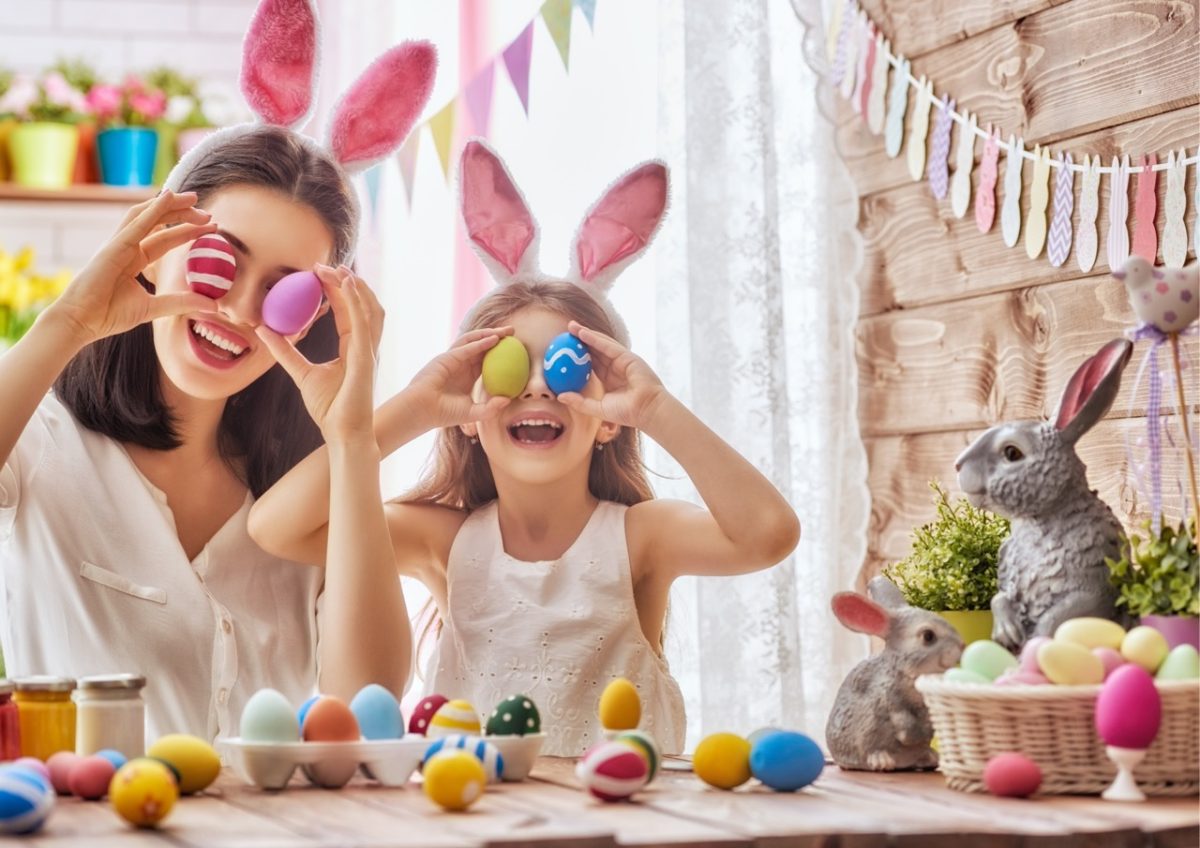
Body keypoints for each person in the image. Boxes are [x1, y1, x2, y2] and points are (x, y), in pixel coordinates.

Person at [249, 142, 801, 755]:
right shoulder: (443, 542)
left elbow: (768, 534)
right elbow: (275, 529)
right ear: (466, 412)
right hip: (477, 825)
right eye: (510, 367)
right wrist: (412, 407)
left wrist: (657, 410)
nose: (538, 383)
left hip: (619, 830)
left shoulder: (641, 538)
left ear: (609, 417)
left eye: (566, 368)